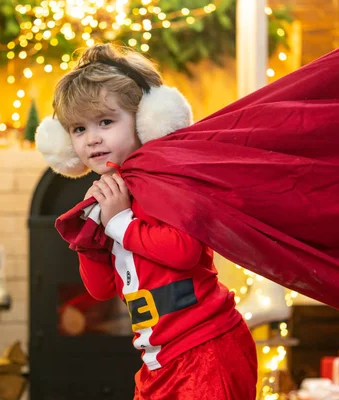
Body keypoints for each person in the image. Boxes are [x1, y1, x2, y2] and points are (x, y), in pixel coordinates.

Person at [36, 43, 258, 399]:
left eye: (105, 122)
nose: (92, 138)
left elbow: (185, 250)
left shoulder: (164, 178)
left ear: (145, 119)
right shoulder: (115, 191)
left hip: (205, 347)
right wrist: (92, 240)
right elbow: (102, 289)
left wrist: (120, 221)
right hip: (159, 359)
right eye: (78, 129)